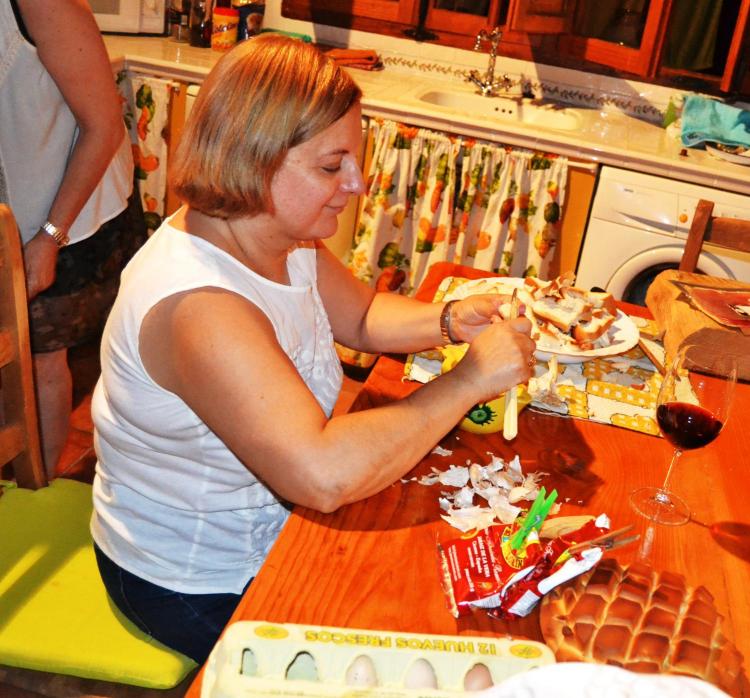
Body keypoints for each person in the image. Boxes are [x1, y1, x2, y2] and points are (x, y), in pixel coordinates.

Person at [90, 34, 536, 664]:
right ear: (253, 159)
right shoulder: (201, 306)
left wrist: (448, 319)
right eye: (332, 166)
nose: (356, 183)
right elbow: (322, 475)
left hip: (274, 530)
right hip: (193, 580)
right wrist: (470, 380)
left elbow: (362, 315)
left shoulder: (277, 235)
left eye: (355, 159)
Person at [0, 0, 148, 474]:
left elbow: (103, 127)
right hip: (12, 211)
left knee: (40, 359)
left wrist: (49, 237)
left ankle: (37, 484)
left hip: (66, 212)